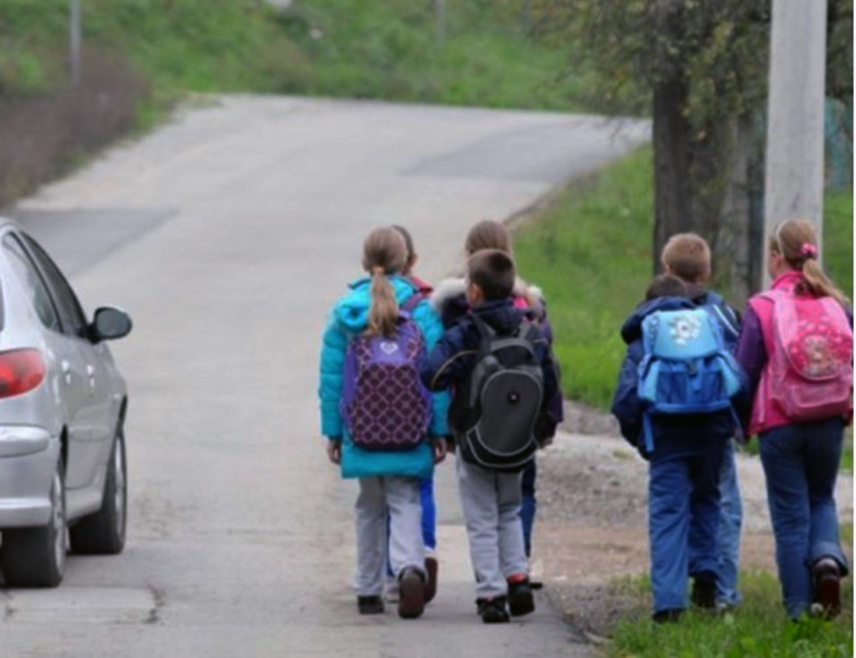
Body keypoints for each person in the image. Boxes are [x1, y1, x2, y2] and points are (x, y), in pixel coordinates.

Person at [420, 249, 560, 624]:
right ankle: (517, 576)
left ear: (475, 293)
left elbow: (431, 375)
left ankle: (491, 594)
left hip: (476, 442)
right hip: (519, 442)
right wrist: (545, 430)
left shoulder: (466, 333)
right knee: (510, 510)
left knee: (481, 517)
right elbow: (551, 384)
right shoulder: (532, 332)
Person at [318, 227, 449, 619]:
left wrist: (334, 432)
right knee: (405, 499)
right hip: (410, 429)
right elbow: (437, 376)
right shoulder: (420, 311)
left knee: (369, 505)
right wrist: (438, 428)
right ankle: (409, 567)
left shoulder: (347, 312)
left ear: (365, 261)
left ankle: (368, 589)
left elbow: (331, 380)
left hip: (362, 430)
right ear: (406, 261)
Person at [611, 271, 746, 623]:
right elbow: (736, 379)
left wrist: (642, 440)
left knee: (668, 514)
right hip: (712, 432)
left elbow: (625, 400)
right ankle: (705, 575)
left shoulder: (648, 331)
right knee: (707, 501)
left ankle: (669, 604)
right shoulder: (707, 324)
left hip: (668, 437)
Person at [736, 219, 852, 620]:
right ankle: (825, 560)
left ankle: (799, 610)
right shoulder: (838, 304)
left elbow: (743, 373)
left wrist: (740, 422)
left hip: (781, 424)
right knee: (821, 499)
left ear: (775, 257)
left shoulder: (763, 307)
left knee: (789, 518)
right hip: (829, 419)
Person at [661, 233, 744, 610]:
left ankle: (672, 591)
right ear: (707, 272)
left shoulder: (658, 315)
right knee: (721, 504)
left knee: (673, 507)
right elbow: (738, 368)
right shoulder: (723, 314)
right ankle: (721, 590)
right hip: (715, 426)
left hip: (669, 426)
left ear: (666, 270)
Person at [381, 224, 439, 604]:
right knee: (420, 488)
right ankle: (425, 549)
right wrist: (441, 426)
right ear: (413, 261)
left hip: (370, 421)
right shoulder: (425, 304)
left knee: (378, 498)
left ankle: (387, 574)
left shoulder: (357, 304)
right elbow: (439, 366)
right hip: (416, 414)